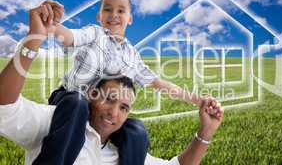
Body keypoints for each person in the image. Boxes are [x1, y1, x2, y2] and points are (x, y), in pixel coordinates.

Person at [22, 0, 222, 164]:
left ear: (130, 18)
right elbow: (70, 36)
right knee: (78, 104)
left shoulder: (132, 55)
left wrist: (197, 100)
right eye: (107, 9)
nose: (114, 14)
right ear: (99, 16)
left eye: (121, 11)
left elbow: (158, 83)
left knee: (136, 130)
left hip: (103, 110)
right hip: (70, 100)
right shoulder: (94, 33)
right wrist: (51, 25)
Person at [0, 39, 224, 165]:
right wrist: (34, 40)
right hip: (69, 102)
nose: (113, 113)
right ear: (92, 95)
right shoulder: (57, 121)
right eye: (109, 100)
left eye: (124, 108)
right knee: (74, 102)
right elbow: (4, 107)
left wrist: (206, 131)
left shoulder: (127, 149)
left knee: (137, 131)